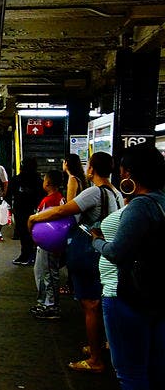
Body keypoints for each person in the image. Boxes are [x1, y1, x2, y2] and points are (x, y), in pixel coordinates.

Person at [28, 152, 122, 373]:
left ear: (92, 169)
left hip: (89, 252)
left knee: (90, 306)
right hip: (105, 253)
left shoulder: (94, 191)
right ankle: (101, 345)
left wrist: (34, 218)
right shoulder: (116, 192)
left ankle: (95, 360)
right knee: (101, 302)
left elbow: (63, 210)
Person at [91, 145, 165, 389]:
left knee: (130, 372)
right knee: (155, 368)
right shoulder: (161, 200)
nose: (120, 175)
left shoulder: (140, 206)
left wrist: (97, 241)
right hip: (157, 293)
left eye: (122, 171)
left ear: (130, 173)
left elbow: (117, 252)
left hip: (131, 297)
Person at [29, 170, 65, 319]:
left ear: (48, 183)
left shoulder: (49, 201)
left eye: (44, 180)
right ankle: (45, 303)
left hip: (47, 242)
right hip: (53, 240)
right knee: (44, 271)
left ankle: (51, 306)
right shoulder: (60, 198)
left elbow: (39, 220)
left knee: (47, 273)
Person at [60, 154, 89, 295]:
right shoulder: (81, 179)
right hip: (81, 219)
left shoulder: (72, 179)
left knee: (70, 252)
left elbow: (70, 203)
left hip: (73, 220)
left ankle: (71, 285)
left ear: (67, 163)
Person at [9, 157, 44, 265]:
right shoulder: (39, 180)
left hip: (20, 211)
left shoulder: (17, 180)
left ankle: (25, 255)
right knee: (33, 234)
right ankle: (33, 256)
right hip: (35, 212)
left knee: (24, 235)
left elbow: (10, 193)